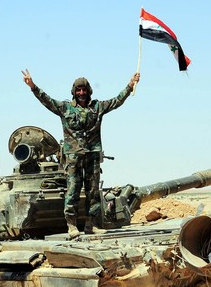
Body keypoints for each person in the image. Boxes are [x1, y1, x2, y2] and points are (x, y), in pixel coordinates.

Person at [22, 69, 140, 238]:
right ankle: (71, 225)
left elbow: (117, 101)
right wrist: (33, 86)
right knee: (73, 190)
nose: (81, 93)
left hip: (92, 155)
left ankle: (91, 224)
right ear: (74, 92)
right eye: (78, 90)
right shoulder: (65, 108)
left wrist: (130, 85)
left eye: (84, 90)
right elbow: (47, 101)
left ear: (88, 91)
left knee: (93, 192)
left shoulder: (97, 107)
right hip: (74, 157)